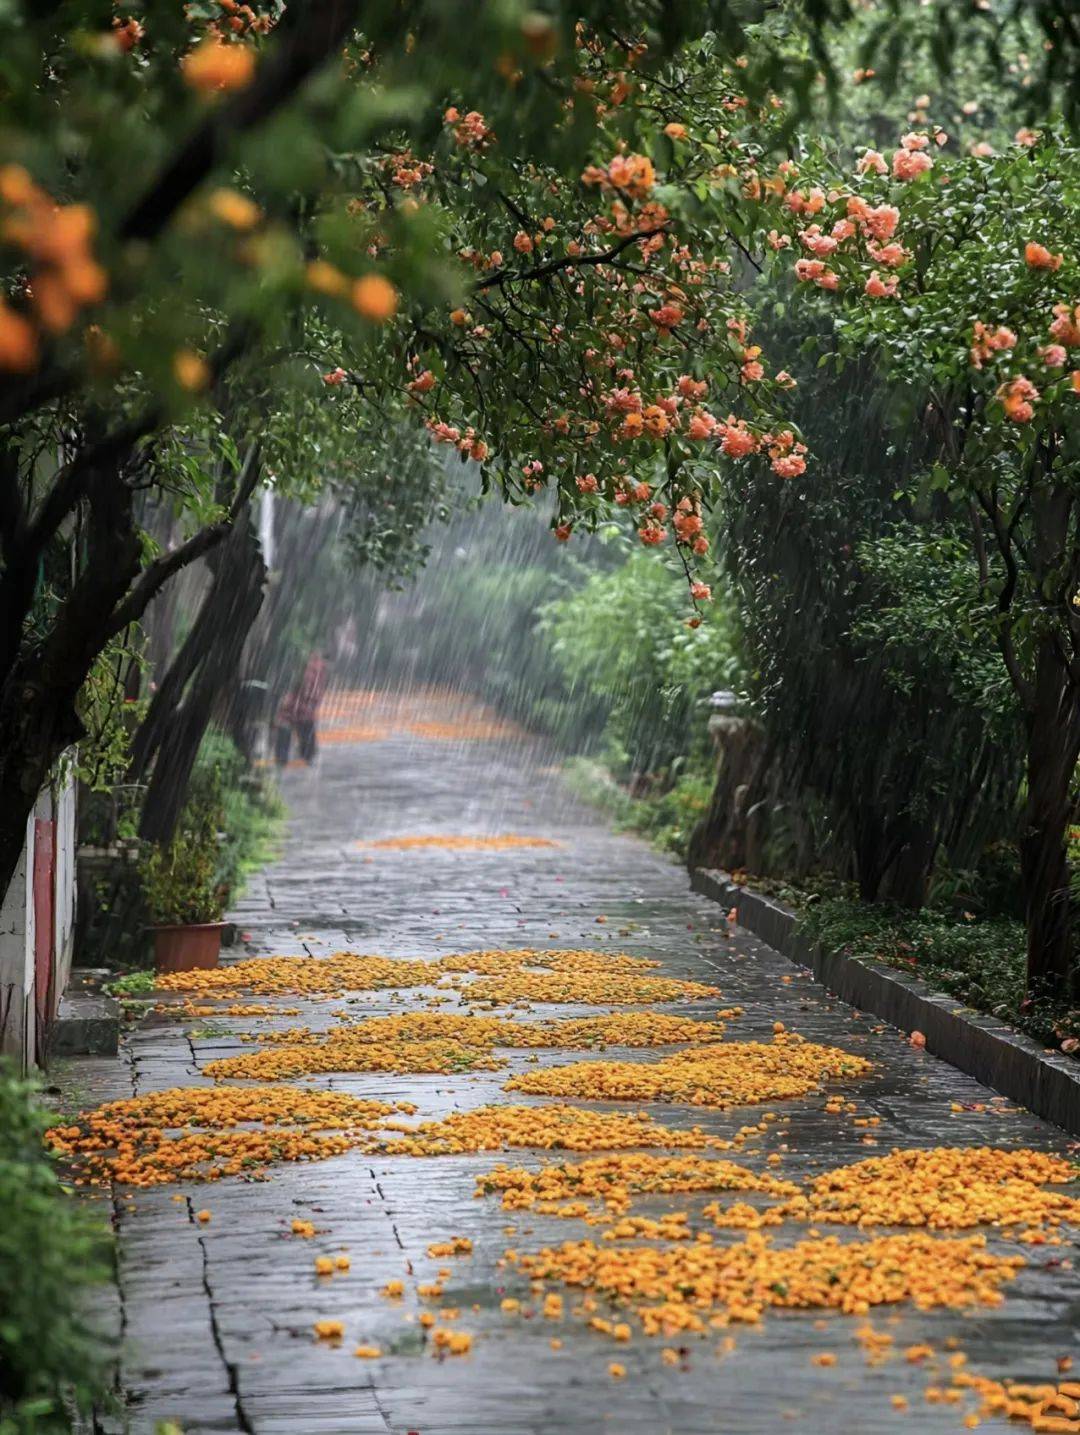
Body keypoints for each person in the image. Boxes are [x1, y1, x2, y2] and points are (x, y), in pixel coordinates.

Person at [293, 650, 328, 764]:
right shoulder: (314, 671)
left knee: (306, 727)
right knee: (306, 727)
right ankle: (307, 751)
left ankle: (307, 751)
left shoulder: (313, 671)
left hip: (305, 709)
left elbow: (313, 688)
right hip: (305, 709)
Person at [273, 689, 297, 766]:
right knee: (282, 743)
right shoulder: (291, 702)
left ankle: (281, 758)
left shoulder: (286, 702)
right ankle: (281, 758)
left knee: (282, 743)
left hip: (284, 725)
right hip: (284, 725)